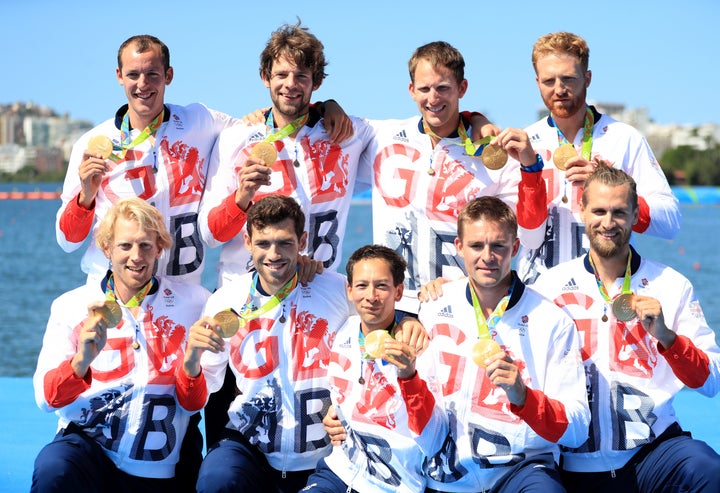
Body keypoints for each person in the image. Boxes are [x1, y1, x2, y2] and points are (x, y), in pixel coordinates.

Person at [181, 195, 424, 493]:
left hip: (323, 452)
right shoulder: (224, 301)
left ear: (303, 240)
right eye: (263, 243)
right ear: (247, 241)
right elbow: (203, 393)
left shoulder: (335, 289)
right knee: (216, 481)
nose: (274, 254)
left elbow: (377, 308)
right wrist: (191, 361)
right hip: (250, 446)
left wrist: (406, 319)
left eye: (285, 243)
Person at [533, 166, 720, 493]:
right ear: (582, 210)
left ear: (636, 215)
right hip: (571, 462)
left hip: (652, 453)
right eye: (599, 211)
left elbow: (710, 382)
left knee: (707, 470)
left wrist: (668, 338)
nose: (608, 223)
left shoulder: (671, 285)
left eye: (619, 212)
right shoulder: (547, 287)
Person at [32, 198, 211, 493]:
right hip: (89, 452)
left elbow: (194, 404)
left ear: (159, 249)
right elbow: (45, 400)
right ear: (107, 249)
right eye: (125, 246)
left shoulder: (195, 302)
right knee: (54, 467)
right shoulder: (71, 306)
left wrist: (307, 269)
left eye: (145, 246)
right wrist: (80, 363)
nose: (136, 257)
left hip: (157, 464)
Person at [359, 41, 548, 313]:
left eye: (443, 88)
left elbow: (532, 237)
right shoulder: (380, 137)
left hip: (458, 307)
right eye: (424, 89)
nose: (433, 98)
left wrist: (531, 168)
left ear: (462, 88)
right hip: (392, 307)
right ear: (411, 90)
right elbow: (318, 121)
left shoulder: (492, 154)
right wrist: (328, 105)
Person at [416, 195, 590, 492]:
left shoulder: (551, 320)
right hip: (448, 476)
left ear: (516, 247)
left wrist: (524, 397)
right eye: (476, 246)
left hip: (520, 472)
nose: (487, 256)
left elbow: (577, 430)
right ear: (458, 247)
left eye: (498, 245)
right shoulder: (433, 307)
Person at [198, 21, 377, 289]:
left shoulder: (348, 133)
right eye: (281, 75)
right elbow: (209, 236)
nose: (290, 85)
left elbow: (421, 134)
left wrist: (330, 105)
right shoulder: (236, 138)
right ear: (265, 77)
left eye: (301, 76)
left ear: (316, 82)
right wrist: (241, 198)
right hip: (245, 297)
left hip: (318, 293)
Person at [55, 34, 242, 286]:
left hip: (182, 294)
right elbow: (67, 241)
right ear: (119, 76)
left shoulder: (199, 120)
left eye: (152, 74)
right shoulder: (92, 143)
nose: (143, 84)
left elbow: (251, 132)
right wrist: (85, 197)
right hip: (113, 293)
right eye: (133, 75)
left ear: (169, 75)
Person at [518, 31, 681, 284]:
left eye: (569, 79)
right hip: (539, 294)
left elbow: (670, 221)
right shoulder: (525, 143)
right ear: (537, 81)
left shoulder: (624, 138)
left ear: (587, 78)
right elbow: (525, 237)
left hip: (603, 292)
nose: (559, 89)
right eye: (549, 81)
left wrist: (605, 187)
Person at [302, 245, 446, 493]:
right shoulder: (342, 331)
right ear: (349, 290)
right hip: (340, 471)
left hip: (398, 484)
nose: (371, 296)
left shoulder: (420, 350)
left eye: (381, 286)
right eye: (361, 285)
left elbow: (435, 440)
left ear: (398, 291)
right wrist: (332, 412)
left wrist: (408, 376)